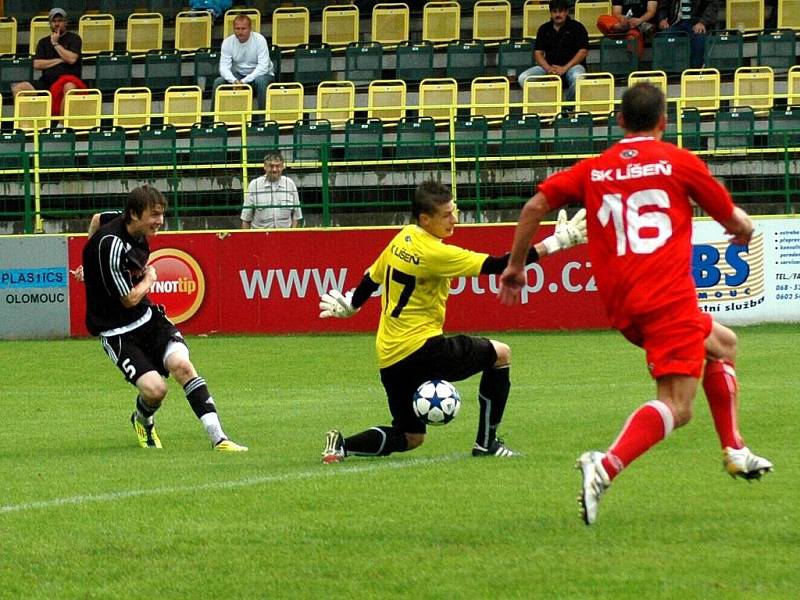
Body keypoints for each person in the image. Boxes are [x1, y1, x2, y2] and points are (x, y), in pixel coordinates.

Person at [498, 83, 773, 526]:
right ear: (664, 122)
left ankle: (735, 449)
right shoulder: (680, 162)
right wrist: (743, 229)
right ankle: (604, 466)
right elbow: (734, 218)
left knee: (723, 343)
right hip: (667, 299)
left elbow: (534, 206)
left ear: (620, 121)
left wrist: (516, 266)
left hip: (624, 306)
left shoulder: (595, 169)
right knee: (677, 406)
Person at [318, 180, 586, 464]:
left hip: (390, 357)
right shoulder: (434, 253)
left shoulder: (403, 237)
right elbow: (500, 264)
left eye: (454, 210)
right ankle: (487, 444)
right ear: (425, 219)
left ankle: (341, 446)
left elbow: (373, 277)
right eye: (446, 215)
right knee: (501, 354)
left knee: (410, 437)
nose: (454, 219)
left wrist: (352, 304)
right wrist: (557, 242)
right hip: (423, 349)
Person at [82, 185, 248, 452]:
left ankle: (219, 438)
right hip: (117, 332)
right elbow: (129, 299)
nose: (160, 221)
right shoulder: (112, 246)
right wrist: (149, 278)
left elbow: (95, 219)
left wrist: (86, 265)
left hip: (148, 319)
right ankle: (142, 419)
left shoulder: (120, 219)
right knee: (156, 390)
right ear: (135, 214)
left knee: (182, 366)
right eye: (154, 215)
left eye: (162, 214)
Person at [12, 8, 86, 116]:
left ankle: (61, 126)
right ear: (50, 24)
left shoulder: (74, 39)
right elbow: (37, 64)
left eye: (60, 20)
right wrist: (60, 60)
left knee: (69, 87)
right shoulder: (43, 42)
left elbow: (71, 59)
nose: (57, 24)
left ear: (65, 22)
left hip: (68, 79)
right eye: (54, 21)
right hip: (47, 81)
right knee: (18, 88)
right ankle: (25, 126)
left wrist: (55, 44)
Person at [517, 0, 589, 102]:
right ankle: (546, 105)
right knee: (523, 78)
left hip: (572, 67)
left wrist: (564, 68)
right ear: (550, 13)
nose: (558, 15)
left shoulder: (577, 27)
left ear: (567, 12)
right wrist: (548, 69)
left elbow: (583, 51)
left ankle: (567, 107)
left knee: (578, 77)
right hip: (548, 67)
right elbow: (538, 53)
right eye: (554, 12)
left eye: (561, 11)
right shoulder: (543, 29)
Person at [212, 14, 274, 111]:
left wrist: (243, 81)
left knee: (261, 81)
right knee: (218, 82)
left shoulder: (260, 40)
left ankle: (263, 120)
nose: (240, 32)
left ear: (250, 28)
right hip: (239, 76)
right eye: (237, 28)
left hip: (262, 75)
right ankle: (214, 120)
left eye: (243, 29)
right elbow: (223, 68)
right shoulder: (227, 42)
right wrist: (234, 81)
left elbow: (263, 67)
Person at [241, 151, 302, 229]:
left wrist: (291, 238)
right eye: (271, 166)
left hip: (285, 237)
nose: (274, 169)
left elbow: (296, 217)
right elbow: (246, 219)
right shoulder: (254, 185)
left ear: (283, 167)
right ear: (264, 167)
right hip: (260, 237)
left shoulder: (290, 184)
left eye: (278, 166)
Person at [658, 0, 720, 69]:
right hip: (676, 22)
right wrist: (662, 19)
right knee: (665, 37)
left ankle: (695, 72)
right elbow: (663, 6)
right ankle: (669, 72)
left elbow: (713, 6)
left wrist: (703, 22)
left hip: (696, 22)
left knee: (699, 39)